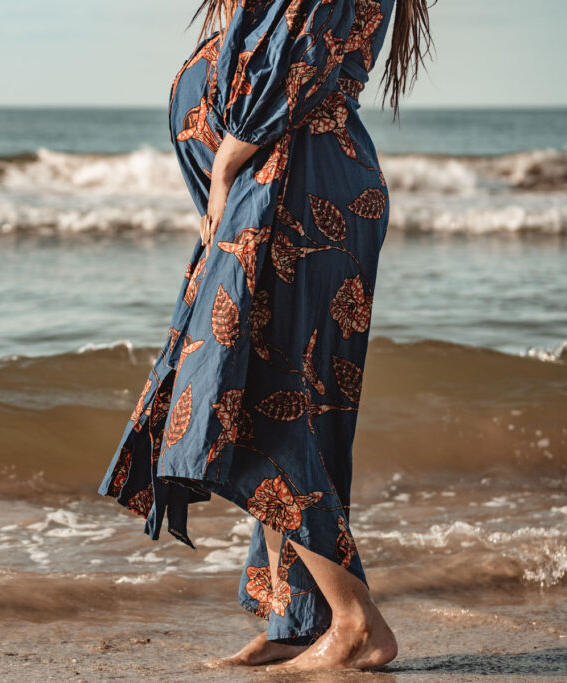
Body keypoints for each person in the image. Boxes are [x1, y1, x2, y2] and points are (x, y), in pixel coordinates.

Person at [97, 0, 434, 671]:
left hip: (295, 189)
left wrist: (226, 164)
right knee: (283, 400)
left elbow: (295, 62)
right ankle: (299, 621)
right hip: (283, 182)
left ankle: (355, 621)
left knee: (255, 397)